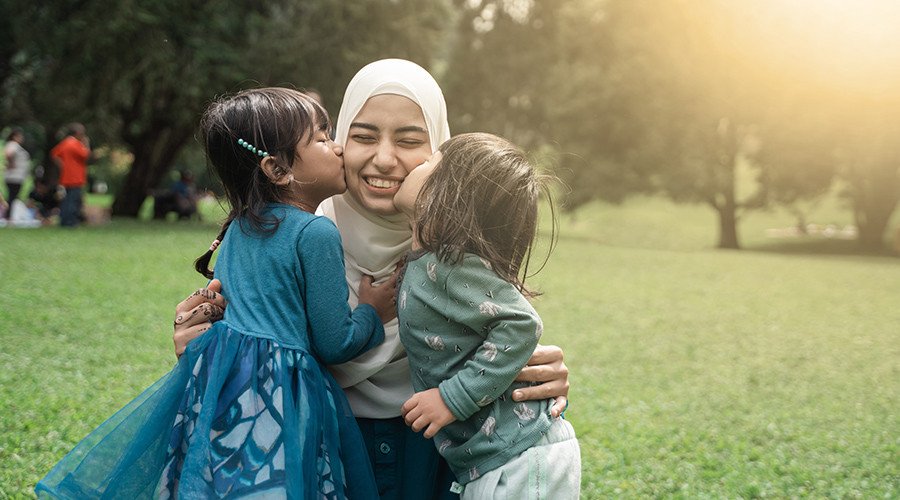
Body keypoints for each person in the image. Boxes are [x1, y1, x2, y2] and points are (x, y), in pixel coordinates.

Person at [173, 59, 571, 499]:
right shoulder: (290, 238)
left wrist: (539, 374)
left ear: (439, 147)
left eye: (410, 140)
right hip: (316, 444)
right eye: (362, 136)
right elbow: (244, 349)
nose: (384, 159)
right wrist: (200, 342)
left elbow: (512, 335)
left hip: (442, 457)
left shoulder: (463, 249)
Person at [36, 88, 396, 498]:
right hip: (281, 391)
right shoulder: (315, 232)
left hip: (220, 383)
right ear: (277, 169)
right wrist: (371, 310)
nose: (337, 148)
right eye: (321, 138)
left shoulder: (238, 227)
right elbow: (333, 343)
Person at [394, 133, 581, 498]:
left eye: (429, 162)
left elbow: (522, 324)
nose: (415, 166)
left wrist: (452, 398)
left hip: (520, 456)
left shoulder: (449, 263)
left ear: (443, 195)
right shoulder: (429, 264)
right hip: (500, 458)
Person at [50, 123, 91, 227]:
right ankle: (70, 222)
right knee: (73, 200)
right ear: (78, 133)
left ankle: (64, 220)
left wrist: (63, 165)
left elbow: (54, 154)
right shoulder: (75, 143)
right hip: (75, 177)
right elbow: (85, 155)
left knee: (66, 200)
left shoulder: (65, 142)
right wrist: (86, 144)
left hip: (66, 176)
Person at [4, 127, 31, 221]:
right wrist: (11, 163)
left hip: (17, 176)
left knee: (12, 196)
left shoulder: (14, 145)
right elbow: (8, 154)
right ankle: (9, 217)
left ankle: (9, 216)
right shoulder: (13, 144)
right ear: (15, 137)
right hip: (14, 176)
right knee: (12, 197)